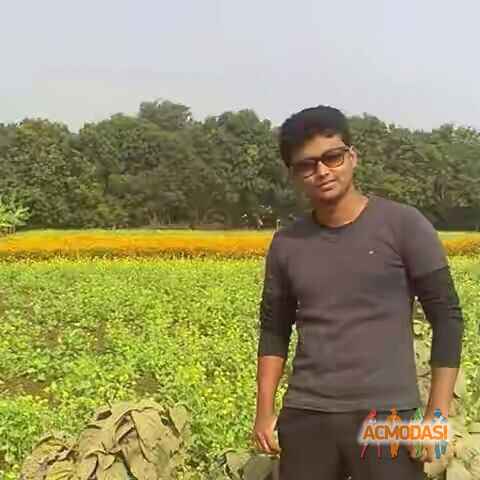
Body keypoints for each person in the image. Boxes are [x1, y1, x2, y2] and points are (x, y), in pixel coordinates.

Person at [253, 106, 464, 480]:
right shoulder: (287, 243)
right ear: (293, 175)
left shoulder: (404, 225)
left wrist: (437, 414)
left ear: (352, 156)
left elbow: (447, 317)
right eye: (307, 165)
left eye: (332, 157)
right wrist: (264, 410)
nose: (322, 171)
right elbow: (274, 330)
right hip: (307, 415)